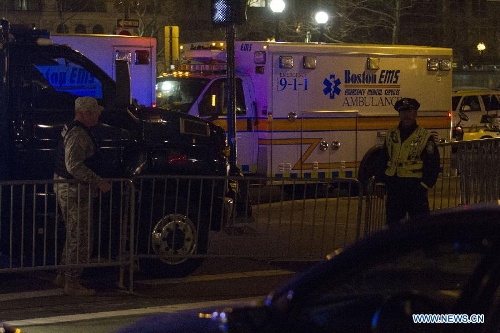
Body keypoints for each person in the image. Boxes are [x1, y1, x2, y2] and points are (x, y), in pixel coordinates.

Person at [53, 96, 112, 296]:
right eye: (95, 112)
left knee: (73, 233)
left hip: (68, 188)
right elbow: (74, 165)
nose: (98, 115)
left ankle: (63, 275)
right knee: (81, 236)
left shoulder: (72, 128)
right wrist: (98, 181)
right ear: (86, 113)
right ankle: (72, 282)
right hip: (75, 190)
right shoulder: (79, 133)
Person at [374, 97, 441, 226]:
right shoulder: (391, 134)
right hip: (395, 187)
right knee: (393, 226)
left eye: (410, 111)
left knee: (420, 227)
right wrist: (380, 182)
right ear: (399, 114)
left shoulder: (425, 136)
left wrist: (424, 185)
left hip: (415, 188)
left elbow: (433, 164)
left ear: (415, 114)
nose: (407, 115)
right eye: (403, 112)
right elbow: (383, 159)